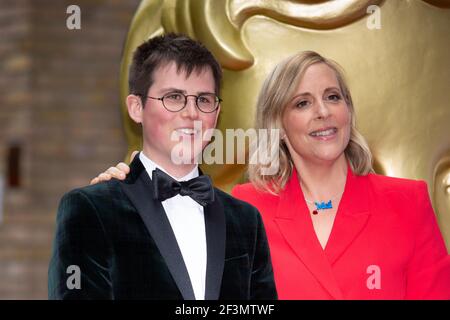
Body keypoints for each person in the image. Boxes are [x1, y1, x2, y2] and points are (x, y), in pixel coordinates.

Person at [95, 50, 450, 300]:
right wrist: (125, 201)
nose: (323, 112)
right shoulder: (244, 207)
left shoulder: (407, 201)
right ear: (278, 125)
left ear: (348, 112)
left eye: (333, 97)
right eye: (302, 103)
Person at [48, 33, 277, 300]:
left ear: (216, 113)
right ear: (136, 107)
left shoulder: (246, 220)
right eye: (174, 97)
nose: (192, 113)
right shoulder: (90, 210)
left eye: (203, 99)